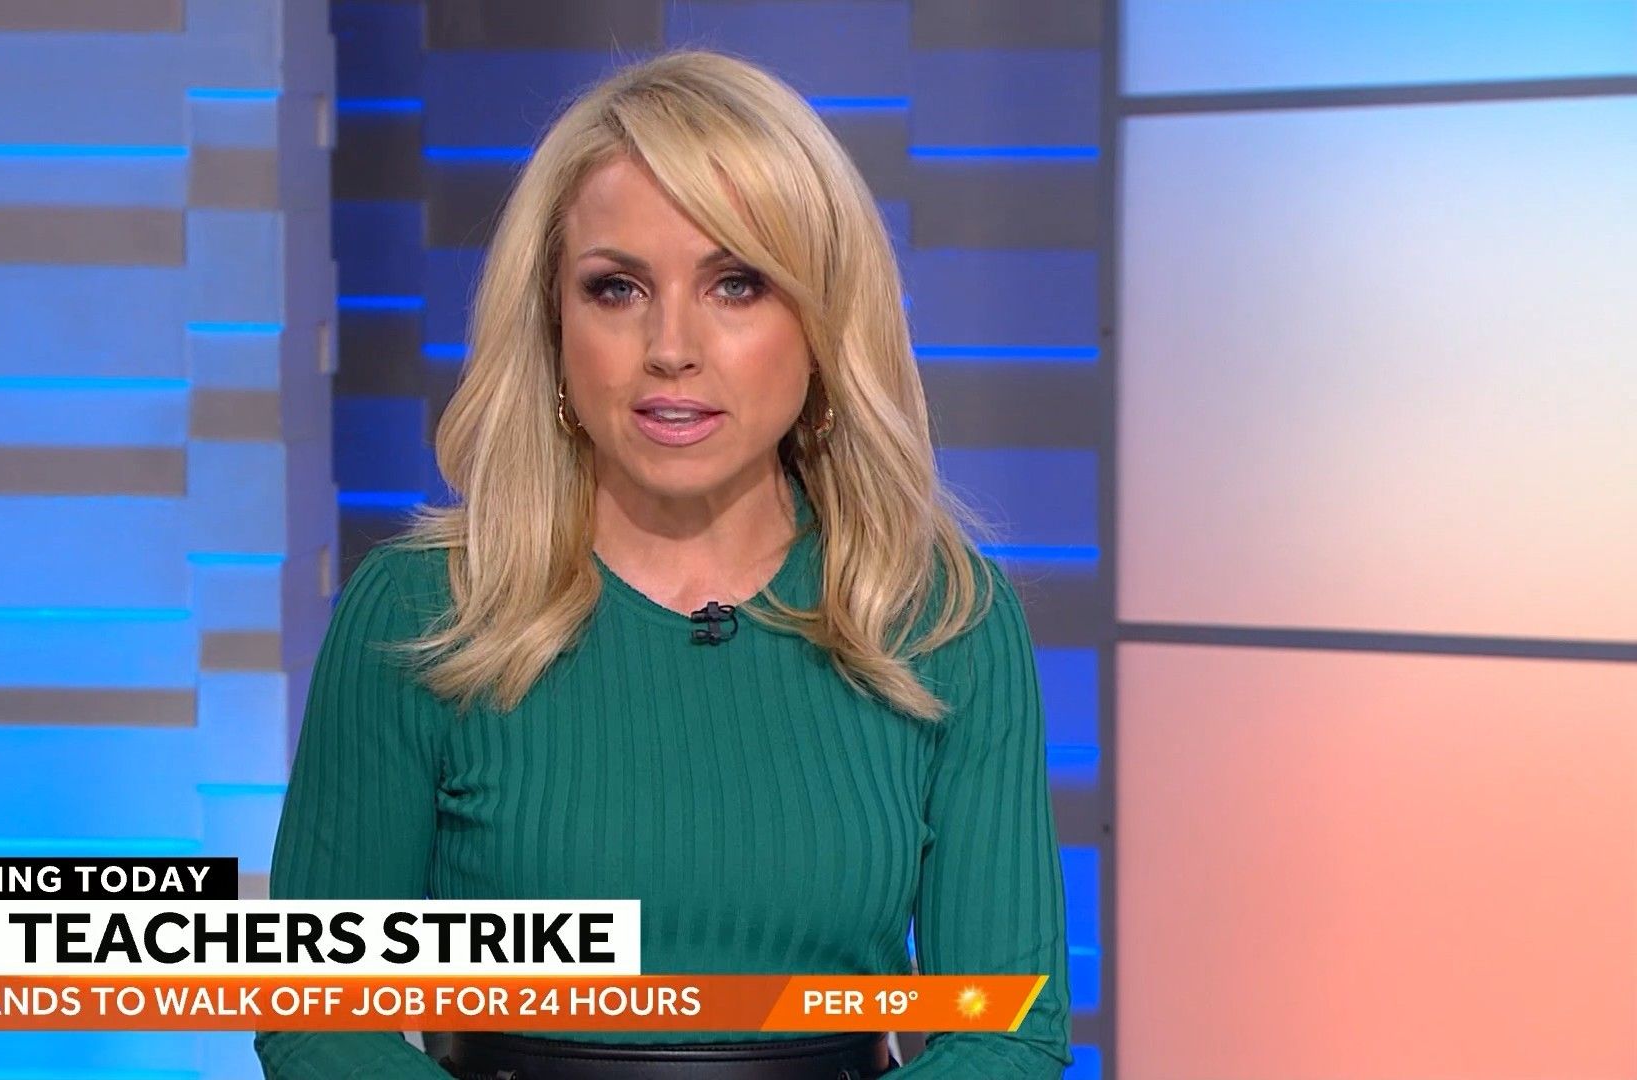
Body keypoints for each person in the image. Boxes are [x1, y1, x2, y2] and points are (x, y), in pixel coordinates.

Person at [255, 48, 1071, 1080]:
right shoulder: (418, 612)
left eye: (737, 283)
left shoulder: (942, 618)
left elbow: (1007, 1033)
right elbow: (320, 1021)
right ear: (553, 326)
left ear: (821, 323)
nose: (671, 346)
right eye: (617, 288)